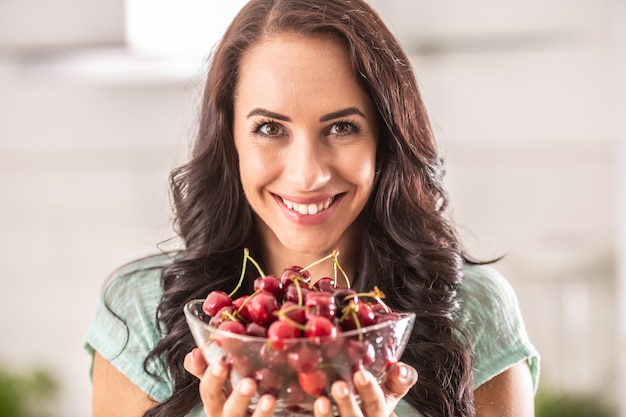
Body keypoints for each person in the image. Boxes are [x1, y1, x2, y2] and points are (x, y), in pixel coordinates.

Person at [84, 0, 540, 416]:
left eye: (342, 127)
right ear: (231, 140)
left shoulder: (470, 310)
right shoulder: (143, 310)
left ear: (385, 140)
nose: (307, 175)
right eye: (269, 128)